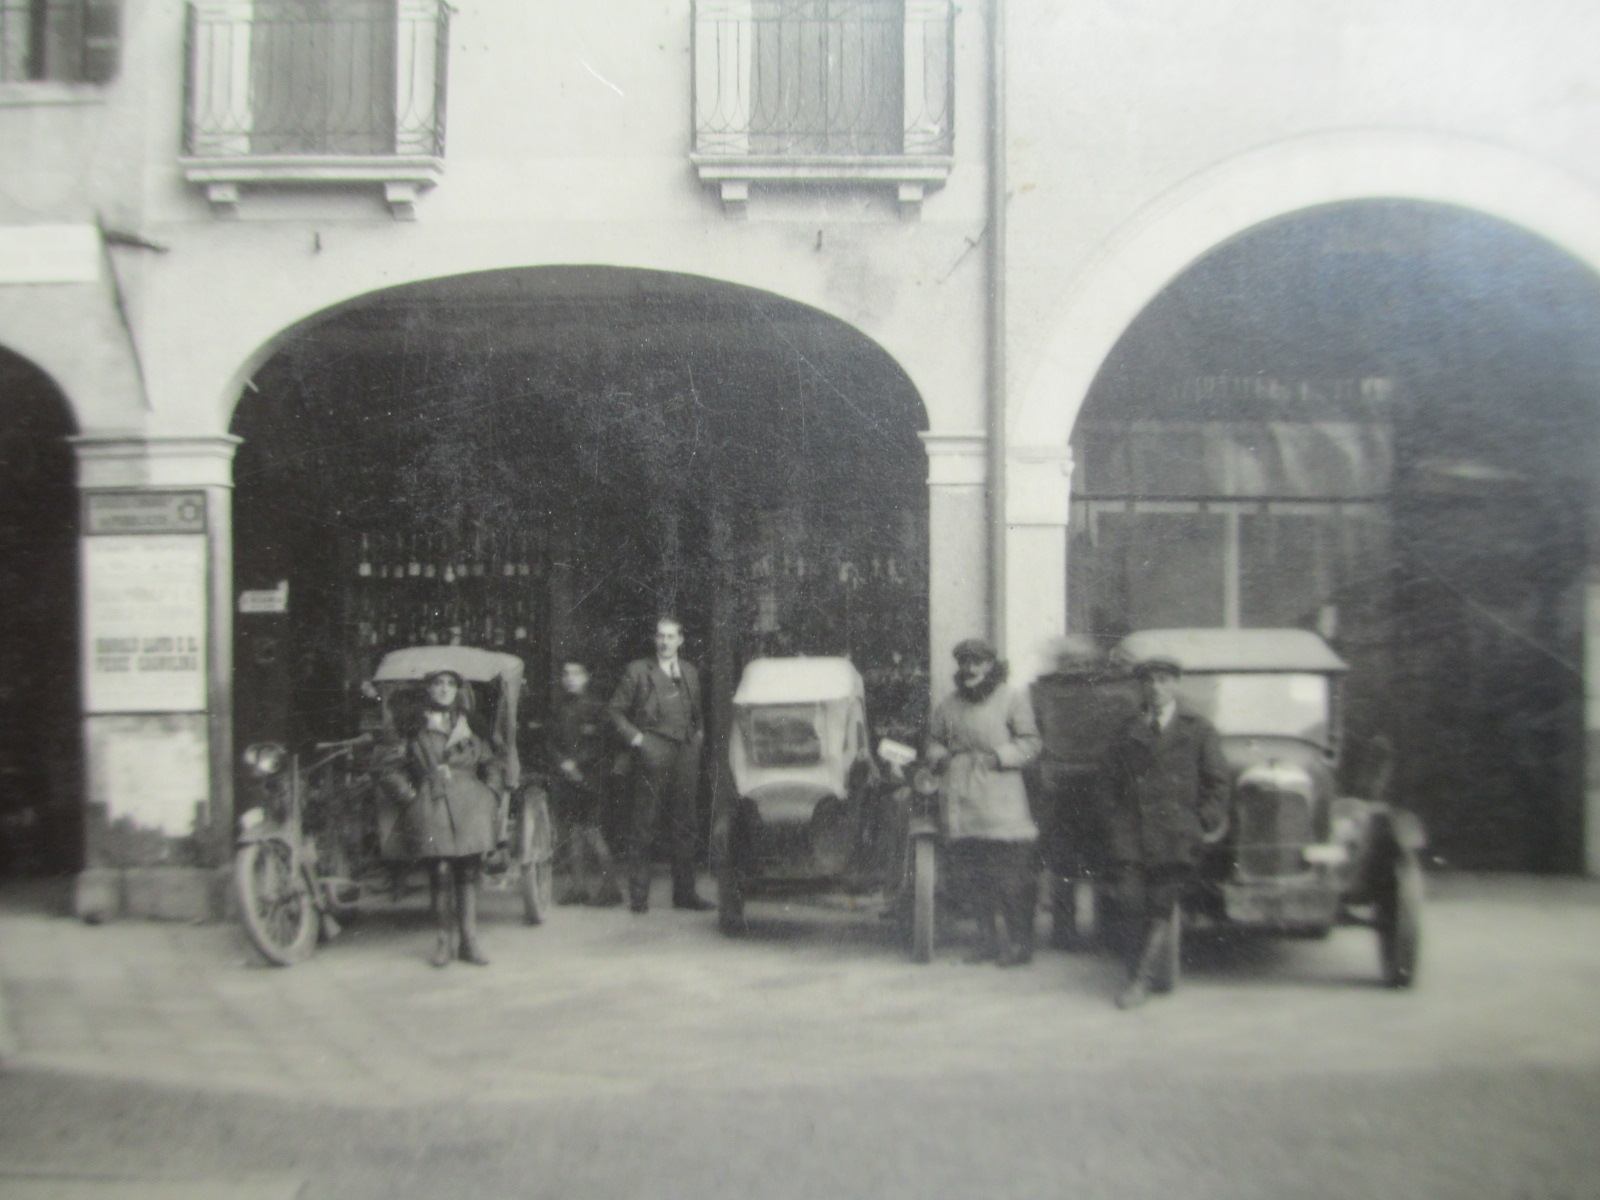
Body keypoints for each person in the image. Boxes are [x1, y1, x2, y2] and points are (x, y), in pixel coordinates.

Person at [1103, 655, 1230, 1009]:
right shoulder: (1126, 730)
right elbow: (1107, 784)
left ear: (1176, 684)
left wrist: (1198, 824)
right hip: (1132, 834)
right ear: (1140, 687)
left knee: (1160, 905)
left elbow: (1218, 784)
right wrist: (1115, 824)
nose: (1155, 688)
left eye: (1163, 680)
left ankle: (1139, 981)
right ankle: (1137, 976)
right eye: (1149, 681)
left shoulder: (1198, 729)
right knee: (1130, 902)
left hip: (1175, 836)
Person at [926, 637, 1043, 967]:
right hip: (963, 799)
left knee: (1010, 878)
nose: (970, 668)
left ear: (991, 666)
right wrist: (940, 756)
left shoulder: (1011, 699)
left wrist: (1000, 756)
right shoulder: (949, 705)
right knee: (975, 877)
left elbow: (1031, 743)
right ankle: (987, 942)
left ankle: (1020, 945)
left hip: (1002, 798)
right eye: (965, 662)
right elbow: (933, 740)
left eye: (977, 662)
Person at [379, 668, 508, 967]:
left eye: (450, 683)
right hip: (432, 801)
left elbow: (491, 763)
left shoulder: (471, 723)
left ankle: (469, 942)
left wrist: (491, 793)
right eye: (438, 683)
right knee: (439, 868)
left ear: (458, 689)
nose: (444, 689)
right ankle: (443, 941)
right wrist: (410, 796)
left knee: (468, 869)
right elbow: (389, 767)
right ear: (428, 688)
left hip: (470, 804)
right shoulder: (412, 725)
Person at [608, 617, 714, 914]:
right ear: (655, 640)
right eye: (660, 636)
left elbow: (697, 712)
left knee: (685, 823)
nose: (665, 642)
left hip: (685, 752)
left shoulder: (690, 671)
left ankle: (685, 894)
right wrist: (639, 740)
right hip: (653, 750)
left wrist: (698, 737)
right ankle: (639, 898)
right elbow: (614, 712)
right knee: (645, 823)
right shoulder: (638, 671)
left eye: (670, 637)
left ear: (680, 640)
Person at [550, 657, 622, 906]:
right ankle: (578, 888)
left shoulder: (597, 708)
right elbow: (552, 743)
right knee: (573, 833)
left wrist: (578, 765)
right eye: (566, 674)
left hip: (592, 778)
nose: (570, 678)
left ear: (586, 677)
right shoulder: (560, 708)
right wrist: (563, 762)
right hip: (567, 778)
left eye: (576, 673)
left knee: (592, 832)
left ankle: (611, 889)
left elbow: (605, 745)